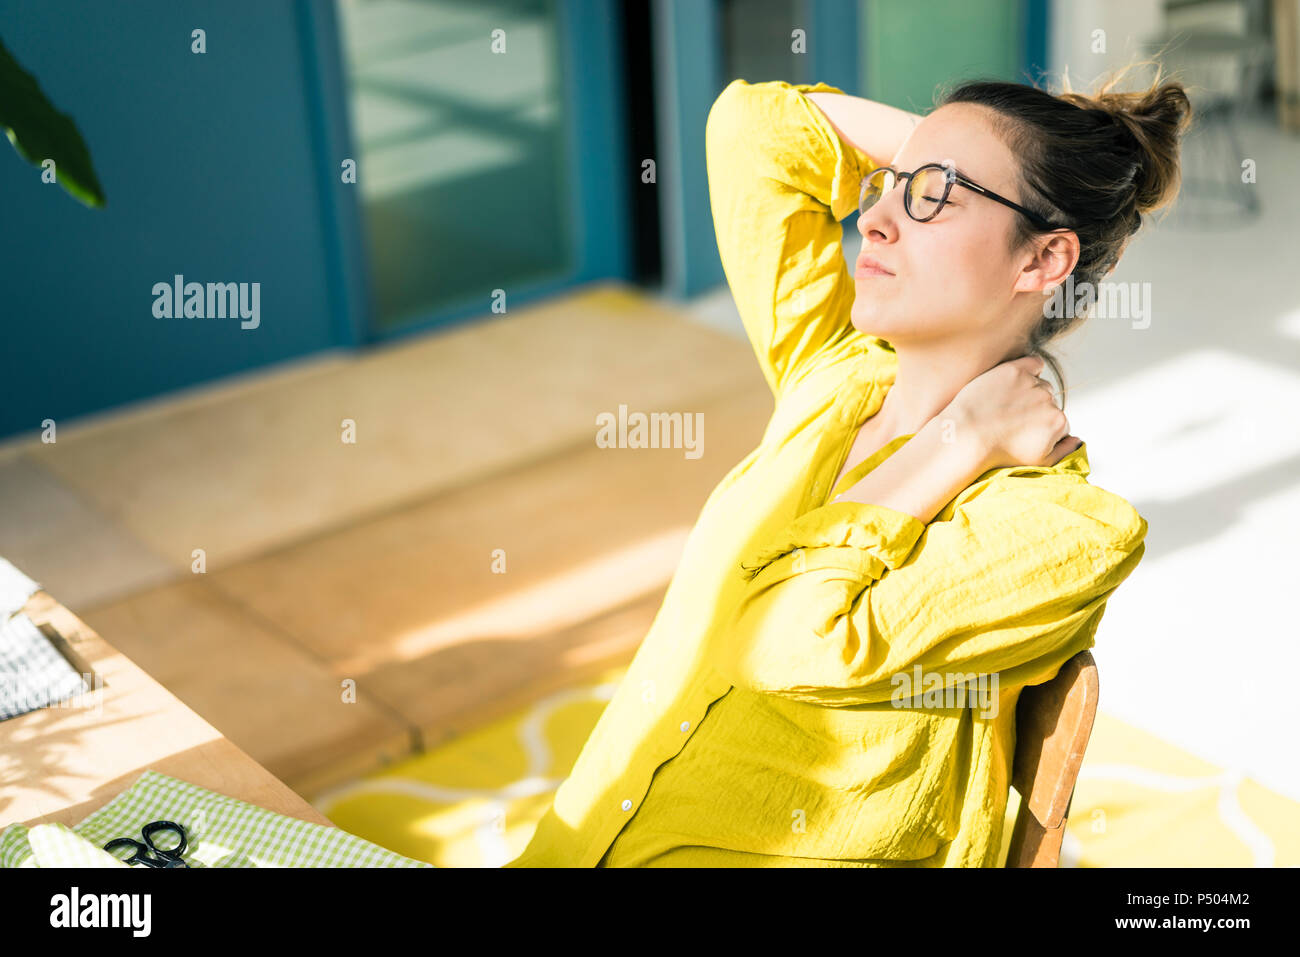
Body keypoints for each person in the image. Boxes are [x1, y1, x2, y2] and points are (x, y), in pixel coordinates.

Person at [504, 63, 1190, 867]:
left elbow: (777, 642)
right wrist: (941, 156)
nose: (879, 221)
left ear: (1042, 263)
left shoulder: (1056, 529)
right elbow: (751, 131)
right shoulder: (834, 380)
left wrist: (957, 440)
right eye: (889, 187)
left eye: (933, 197)